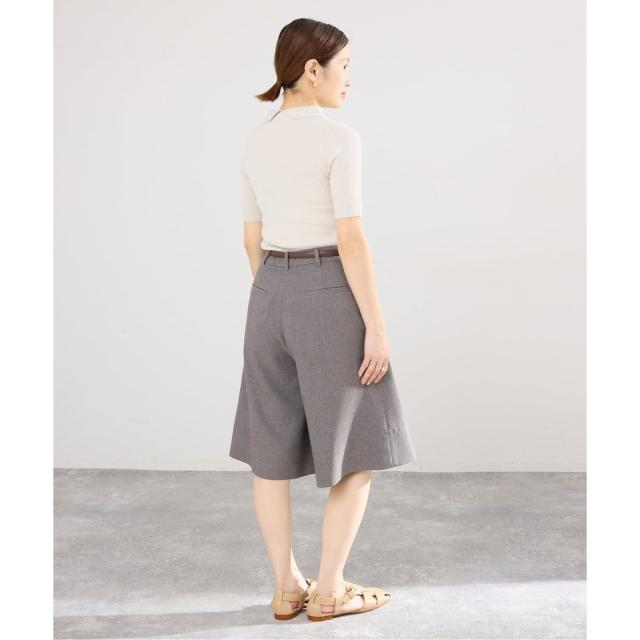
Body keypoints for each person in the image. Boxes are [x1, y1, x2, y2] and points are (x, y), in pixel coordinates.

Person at [229, 17, 417, 623]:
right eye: (344, 66)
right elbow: (351, 238)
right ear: (313, 70)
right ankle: (331, 590)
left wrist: (277, 292)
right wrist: (376, 327)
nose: (349, 79)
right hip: (328, 289)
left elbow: (251, 238)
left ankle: (287, 588)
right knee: (358, 446)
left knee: (269, 450)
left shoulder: (255, 140)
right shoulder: (339, 137)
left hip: (267, 294)